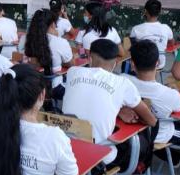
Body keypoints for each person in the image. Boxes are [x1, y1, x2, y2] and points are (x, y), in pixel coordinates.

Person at [62, 39, 157, 167]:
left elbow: (91, 98)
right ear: (116, 63)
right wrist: (121, 111)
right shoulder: (122, 84)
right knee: (138, 141)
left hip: (67, 146)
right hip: (99, 154)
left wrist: (118, 110)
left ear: (90, 58)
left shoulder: (72, 72)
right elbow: (151, 121)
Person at [125, 41, 180, 175]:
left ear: (132, 64)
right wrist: (173, 91)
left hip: (130, 135)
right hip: (159, 134)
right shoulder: (168, 94)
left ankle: (174, 158)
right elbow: (179, 107)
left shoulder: (122, 81)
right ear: (157, 63)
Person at [25, 9, 73, 77]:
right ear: (53, 24)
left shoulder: (30, 39)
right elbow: (71, 64)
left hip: (34, 82)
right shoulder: (60, 42)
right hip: (55, 84)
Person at [129, 0, 174, 69]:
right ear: (159, 12)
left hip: (141, 62)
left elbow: (133, 47)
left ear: (145, 11)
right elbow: (171, 44)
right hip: (160, 63)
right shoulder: (166, 28)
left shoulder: (136, 29)